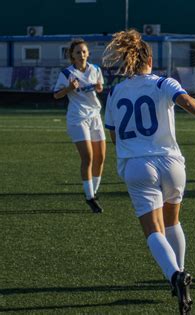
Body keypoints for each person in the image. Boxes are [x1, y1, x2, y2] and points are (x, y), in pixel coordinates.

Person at [102, 29, 195, 313]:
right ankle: (181, 272)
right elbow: (186, 101)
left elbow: (113, 133)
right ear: (149, 61)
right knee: (172, 222)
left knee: (153, 230)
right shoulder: (162, 83)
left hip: (137, 165)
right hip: (171, 163)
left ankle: (175, 275)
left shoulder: (116, 91)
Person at [53, 39, 106, 213]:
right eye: (78, 52)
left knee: (101, 158)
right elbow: (56, 95)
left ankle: (94, 192)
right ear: (72, 56)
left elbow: (99, 88)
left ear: (88, 53)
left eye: (84, 51)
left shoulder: (95, 70)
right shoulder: (67, 73)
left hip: (95, 117)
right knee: (88, 157)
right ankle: (90, 197)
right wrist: (69, 88)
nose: (81, 54)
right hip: (78, 118)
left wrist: (99, 88)